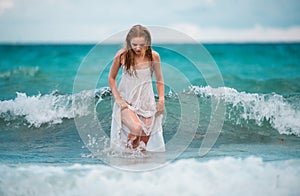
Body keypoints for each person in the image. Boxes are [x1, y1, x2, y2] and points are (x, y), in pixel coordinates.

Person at [108, 25, 165, 152]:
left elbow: (159, 80)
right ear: (129, 43)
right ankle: (126, 156)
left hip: (146, 103)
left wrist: (161, 100)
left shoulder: (154, 56)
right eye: (134, 44)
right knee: (137, 129)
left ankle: (139, 166)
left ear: (148, 43)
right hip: (126, 102)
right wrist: (119, 100)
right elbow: (111, 78)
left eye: (142, 45)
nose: (138, 48)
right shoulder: (122, 55)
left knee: (143, 142)